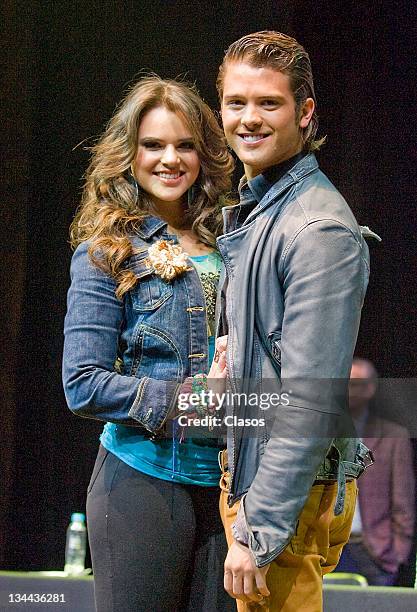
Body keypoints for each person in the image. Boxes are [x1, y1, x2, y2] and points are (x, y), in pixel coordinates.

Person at [212, 31, 377, 611]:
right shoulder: (267, 206)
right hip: (262, 480)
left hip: (285, 495)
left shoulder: (319, 228)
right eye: (236, 103)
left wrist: (258, 533)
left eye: (269, 103)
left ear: (305, 113)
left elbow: (308, 398)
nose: (249, 119)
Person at [62, 75, 235, 612]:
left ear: (204, 154)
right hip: (142, 480)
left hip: (233, 489)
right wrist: (189, 402)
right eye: (153, 145)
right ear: (128, 154)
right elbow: (82, 385)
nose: (170, 159)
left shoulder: (236, 243)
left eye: (185, 145)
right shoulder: (105, 253)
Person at [337, 357, 415, 585]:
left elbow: (403, 500)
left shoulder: (393, 436)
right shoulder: (323, 433)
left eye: (355, 384)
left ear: (370, 388)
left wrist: (398, 551)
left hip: (373, 550)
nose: (348, 390)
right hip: (328, 546)